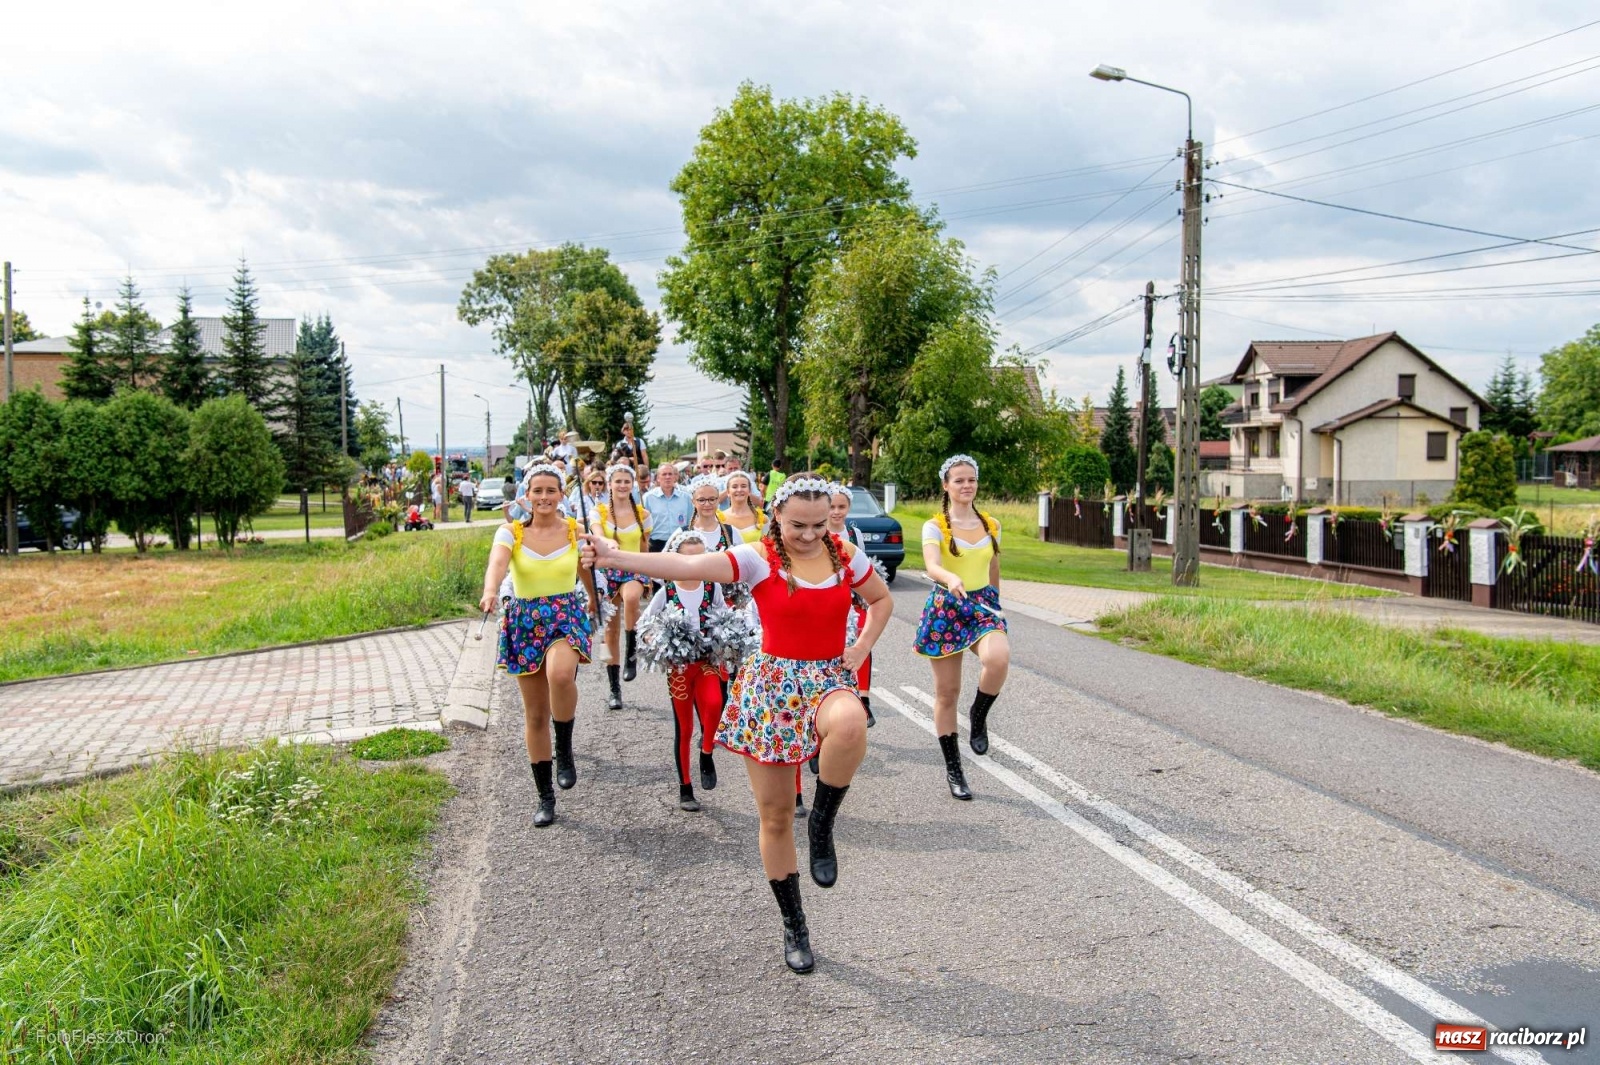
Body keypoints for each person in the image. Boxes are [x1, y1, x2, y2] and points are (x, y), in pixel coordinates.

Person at [583, 474, 892, 974]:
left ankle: (822, 821)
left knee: (852, 724)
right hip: (770, 686)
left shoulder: (843, 554)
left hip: (827, 678)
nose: (811, 535)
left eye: (819, 524)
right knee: (772, 819)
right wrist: (615, 557)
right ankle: (795, 924)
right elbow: (683, 563)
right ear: (777, 515)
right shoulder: (757, 556)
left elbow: (880, 600)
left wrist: (859, 649)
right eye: (799, 525)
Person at [478, 463, 595, 827]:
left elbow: (587, 568)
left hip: (564, 612)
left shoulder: (576, 530)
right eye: (537, 491)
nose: (544, 498)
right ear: (526, 496)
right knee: (534, 714)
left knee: (561, 675)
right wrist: (490, 590)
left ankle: (565, 747)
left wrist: (592, 597)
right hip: (524, 619)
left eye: (551, 491)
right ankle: (545, 797)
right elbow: (497, 563)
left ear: (562, 494)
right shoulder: (509, 532)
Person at [915, 455, 1011, 802]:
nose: (966, 485)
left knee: (998, 658)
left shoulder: (991, 524)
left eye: (971, 479)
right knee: (947, 692)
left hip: (983, 605)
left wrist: (997, 602)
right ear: (946, 485)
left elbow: (994, 566)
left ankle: (979, 714)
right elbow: (931, 564)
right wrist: (949, 576)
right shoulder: (934, 525)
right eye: (958, 480)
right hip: (947, 606)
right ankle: (954, 769)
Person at [638, 529, 728, 812]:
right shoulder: (668, 591)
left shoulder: (713, 588)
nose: (695, 565)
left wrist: (726, 635)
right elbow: (645, 623)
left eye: (701, 558)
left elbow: (725, 617)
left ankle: (707, 751)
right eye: (689, 559)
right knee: (685, 726)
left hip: (705, 663)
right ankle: (685, 787)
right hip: (678, 668)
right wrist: (653, 638)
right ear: (676, 559)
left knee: (715, 704)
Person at [589, 463, 653, 709]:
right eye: (618, 481)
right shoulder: (600, 511)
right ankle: (613, 688)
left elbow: (644, 545)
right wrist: (604, 540)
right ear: (610, 484)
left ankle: (632, 652)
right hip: (606, 571)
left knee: (632, 598)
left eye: (627, 481)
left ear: (633, 484)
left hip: (633, 567)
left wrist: (647, 573)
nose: (623, 485)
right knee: (608, 635)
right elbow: (596, 531)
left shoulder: (643, 514)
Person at [643, 462, 692, 552]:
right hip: (656, 545)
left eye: (670, 474)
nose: (667, 477)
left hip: (680, 544)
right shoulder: (648, 498)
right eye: (664, 474)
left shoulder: (686, 498)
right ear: (658, 478)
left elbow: (690, 522)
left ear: (675, 477)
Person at [718, 470, 766, 544]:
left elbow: (768, 547)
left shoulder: (761, 518)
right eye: (734, 487)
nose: (739, 490)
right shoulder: (718, 518)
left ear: (749, 491)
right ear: (728, 492)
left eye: (743, 486)